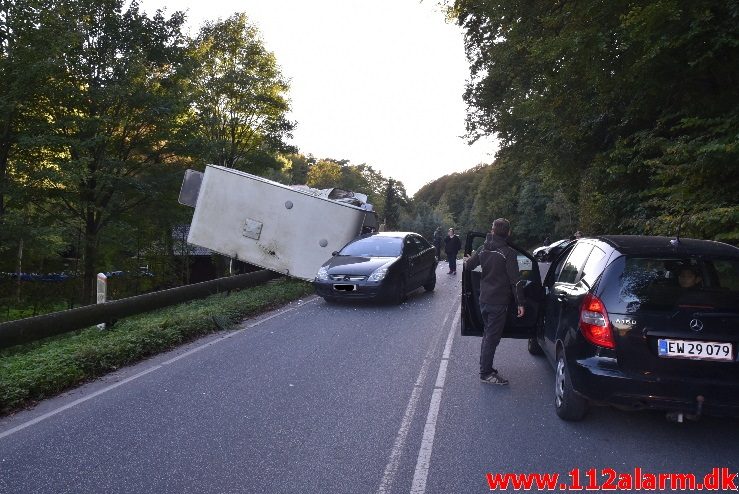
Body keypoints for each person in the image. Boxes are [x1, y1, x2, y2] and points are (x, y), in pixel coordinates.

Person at [464, 218, 525, 385]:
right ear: (508, 233)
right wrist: (520, 303)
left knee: (487, 336)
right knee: (491, 338)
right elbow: (516, 281)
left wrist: (467, 259)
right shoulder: (508, 253)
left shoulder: (484, 248)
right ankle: (486, 373)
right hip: (498, 302)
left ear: (492, 231)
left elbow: (469, 266)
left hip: (483, 299)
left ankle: (486, 368)